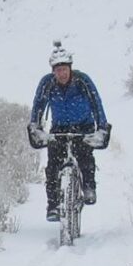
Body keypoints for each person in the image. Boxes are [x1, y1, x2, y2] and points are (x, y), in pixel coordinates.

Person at [29, 44, 110, 221]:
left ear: (70, 68)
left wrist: (102, 127)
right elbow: (38, 107)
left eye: (64, 69)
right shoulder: (47, 83)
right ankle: (53, 205)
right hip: (59, 129)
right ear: (53, 71)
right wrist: (35, 127)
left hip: (83, 126)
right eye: (58, 70)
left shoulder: (82, 81)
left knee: (85, 158)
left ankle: (88, 187)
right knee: (52, 167)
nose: (62, 73)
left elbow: (97, 104)